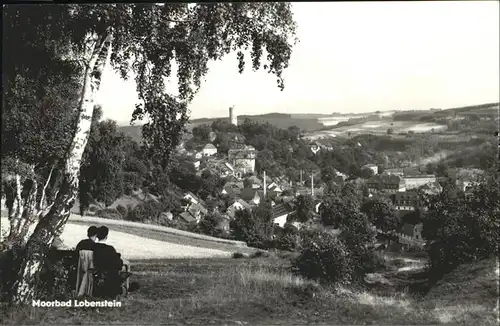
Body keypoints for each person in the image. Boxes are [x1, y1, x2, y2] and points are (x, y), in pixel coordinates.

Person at [93, 226, 125, 298]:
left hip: (96, 271)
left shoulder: (93, 247)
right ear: (106, 237)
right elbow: (118, 263)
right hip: (108, 275)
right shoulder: (110, 249)